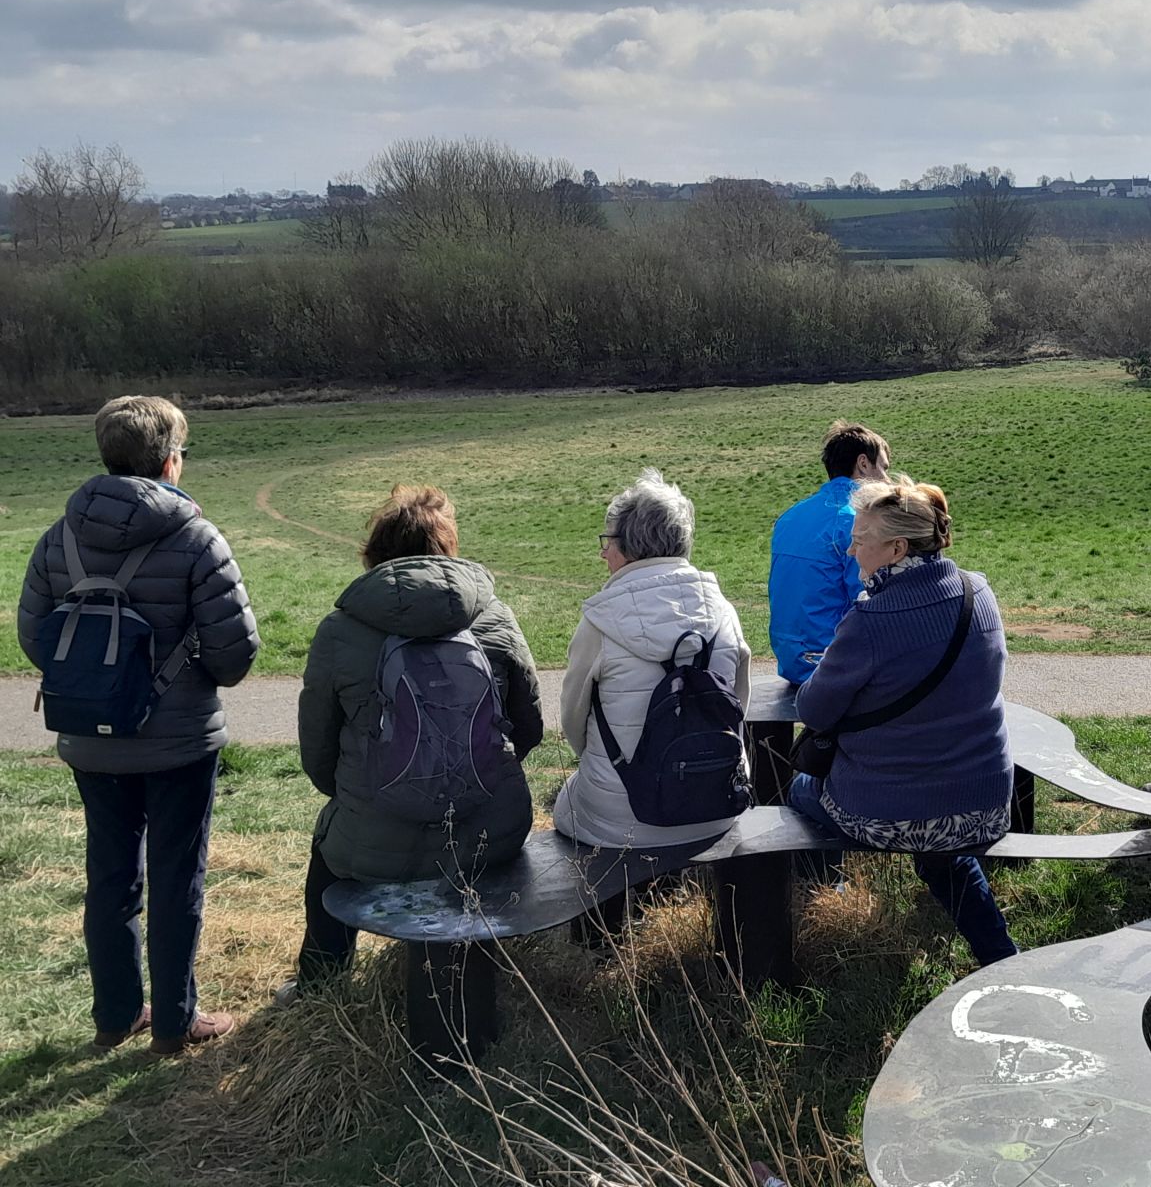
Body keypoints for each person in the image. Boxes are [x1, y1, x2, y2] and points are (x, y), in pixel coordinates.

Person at [16, 396, 260, 1053]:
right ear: (170, 460)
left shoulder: (58, 536)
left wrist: (102, 685)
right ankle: (177, 1024)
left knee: (110, 876)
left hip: (90, 741)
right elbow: (235, 655)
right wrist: (178, 676)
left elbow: (35, 638)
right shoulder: (197, 539)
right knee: (179, 878)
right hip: (180, 742)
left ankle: (116, 1016)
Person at [292, 485, 542, 991]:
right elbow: (530, 726)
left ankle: (320, 983)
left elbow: (316, 748)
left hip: (373, 837)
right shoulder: (495, 617)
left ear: (375, 555)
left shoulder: (340, 630)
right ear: (449, 549)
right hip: (490, 832)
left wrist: (356, 796)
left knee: (326, 854)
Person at [786, 477, 1018, 966]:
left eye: (860, 539)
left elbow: (813, 710)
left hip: (892, 810)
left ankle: (817, 903)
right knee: (943, 853)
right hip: (987, 800)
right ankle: (999, 956)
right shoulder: (978, 591)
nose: (851, 550)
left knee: (798, 789)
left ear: (895, 548)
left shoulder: (870, 620)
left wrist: (829, 664)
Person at [553, 469, 752, 848]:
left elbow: (572, 722)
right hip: (718, 805)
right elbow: (738, 706)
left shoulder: (600, 620)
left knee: (565, 799)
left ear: (629, 545)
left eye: (607, 541)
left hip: (621, 817)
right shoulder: (724, 610)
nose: (602, 552)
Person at [768, 421, 890, 685]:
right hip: (831, 661)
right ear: (863, 464)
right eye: (883, 467)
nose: (887, 480)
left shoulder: (789, 516)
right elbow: (869, 603)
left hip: (790, 658)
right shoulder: (855, 522)